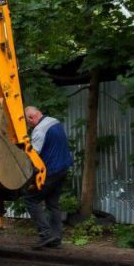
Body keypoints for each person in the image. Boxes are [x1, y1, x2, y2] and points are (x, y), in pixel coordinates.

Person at [23, 105, 75, 249]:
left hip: (51, 171)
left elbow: (33, 156)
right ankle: (56, 240)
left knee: (30, 199)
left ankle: (46, 234)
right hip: (63, 169)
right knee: (53, 204)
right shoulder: (54, 121)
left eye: (28, 122)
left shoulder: (39, 130)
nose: (29, 125)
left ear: (31, 118)